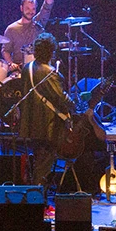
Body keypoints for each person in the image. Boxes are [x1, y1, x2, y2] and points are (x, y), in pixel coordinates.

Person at [18, 32, 73, 186]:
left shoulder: (27, 68)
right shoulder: (50, 73)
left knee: (38, 162)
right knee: (44, 166)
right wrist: (75, 105)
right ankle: (39, 203)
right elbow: (60, 98)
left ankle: (36, 200)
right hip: (47, 126)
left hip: (31, 124)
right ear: (51, 51)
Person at [2, 0, 58, 73]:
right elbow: (5, 50)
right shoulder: (11, 29)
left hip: (39, 69)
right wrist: (11, 63)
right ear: (21, 8)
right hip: (19, 71)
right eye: (27, 8)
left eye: (33, 9)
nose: (30, 11)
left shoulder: (38, 23)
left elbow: (47, 7)